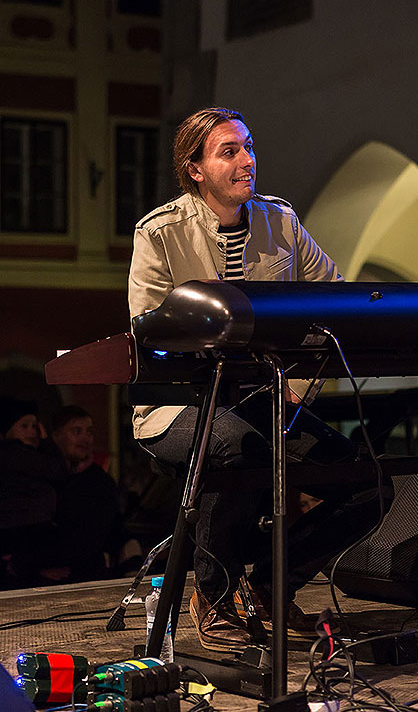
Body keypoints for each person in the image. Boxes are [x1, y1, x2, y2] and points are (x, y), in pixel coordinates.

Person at [128, 107, 382, 652]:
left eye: (248, 146)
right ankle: (213, 597)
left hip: (262, 404)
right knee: (237, 445)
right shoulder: (161, 233)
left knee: (368, 484)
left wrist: (300, 375)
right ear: (195, 169)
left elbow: (334, 297)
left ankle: (268, 584)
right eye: (229, 151)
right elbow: (148, 335)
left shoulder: (281, 223)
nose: (247, 161)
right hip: (178, 408)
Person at [52, 405, 141, 581]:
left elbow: (91, 540)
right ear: (56, 436)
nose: (85, 438)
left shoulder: (100, 483)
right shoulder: (47, 477)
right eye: (77, 431)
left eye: (89, 432)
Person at [0, 396, 69, 587]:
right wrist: (46, 441)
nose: (32, 432)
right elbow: (58, 470)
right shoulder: (14, 453)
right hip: (20, 541)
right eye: (24, 426)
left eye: (34, 426)